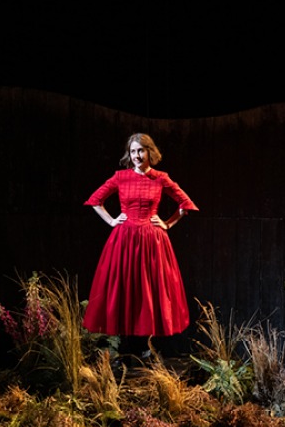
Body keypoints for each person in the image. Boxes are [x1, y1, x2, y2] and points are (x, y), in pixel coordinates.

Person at [82, 133, 198, 359]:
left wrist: (168, 223)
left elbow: (185, 204)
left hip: (151, 241)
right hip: (124, 240)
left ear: (150, 153)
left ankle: (145, 348)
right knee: (124, 288)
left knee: (147, 290)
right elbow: (96, 200)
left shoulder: (160, 178)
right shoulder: (120, 177)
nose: (136, 155)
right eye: (133, 151)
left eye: (141, 151)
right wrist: (112, 221)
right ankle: (125, 348)